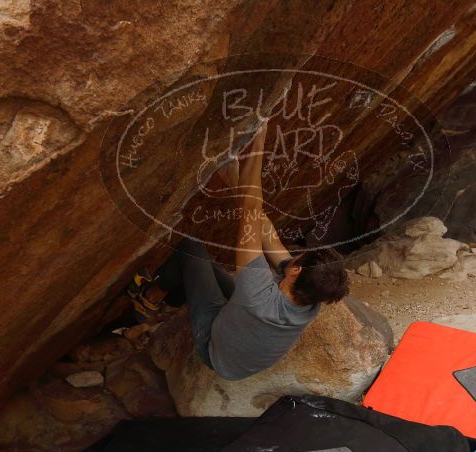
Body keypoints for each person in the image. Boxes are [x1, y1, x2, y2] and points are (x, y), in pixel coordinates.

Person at [129, 120, 349, 380]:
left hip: (215, 351)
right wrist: (232, 175)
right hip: (244, 343)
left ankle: (149, 299)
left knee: (191, 248)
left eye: (300, 256)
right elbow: (268, 236)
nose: (295, 254)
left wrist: (258, 140)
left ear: (296, 271)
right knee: (208, 268)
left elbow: (249, 211)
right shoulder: (309, 298)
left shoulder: (257, 293)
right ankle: (175, 296)